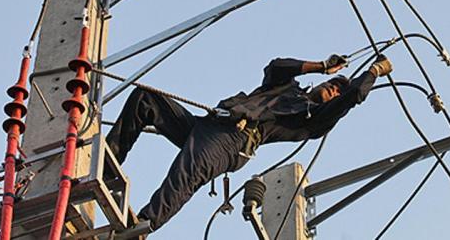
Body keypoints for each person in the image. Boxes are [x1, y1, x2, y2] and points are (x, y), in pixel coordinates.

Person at [105, 53, 393, 232]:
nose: (333, 89)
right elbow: (277, 66)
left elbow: (353, 96)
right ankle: (106, 170)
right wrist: (320, 66)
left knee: (186, 172)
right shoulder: (286, 89)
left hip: (233, 140)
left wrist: (374, 72)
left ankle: (144, 226)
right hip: (209, 124)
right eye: (332, 84)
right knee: (145, 99)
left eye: (337, 91)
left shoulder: (312, 120)